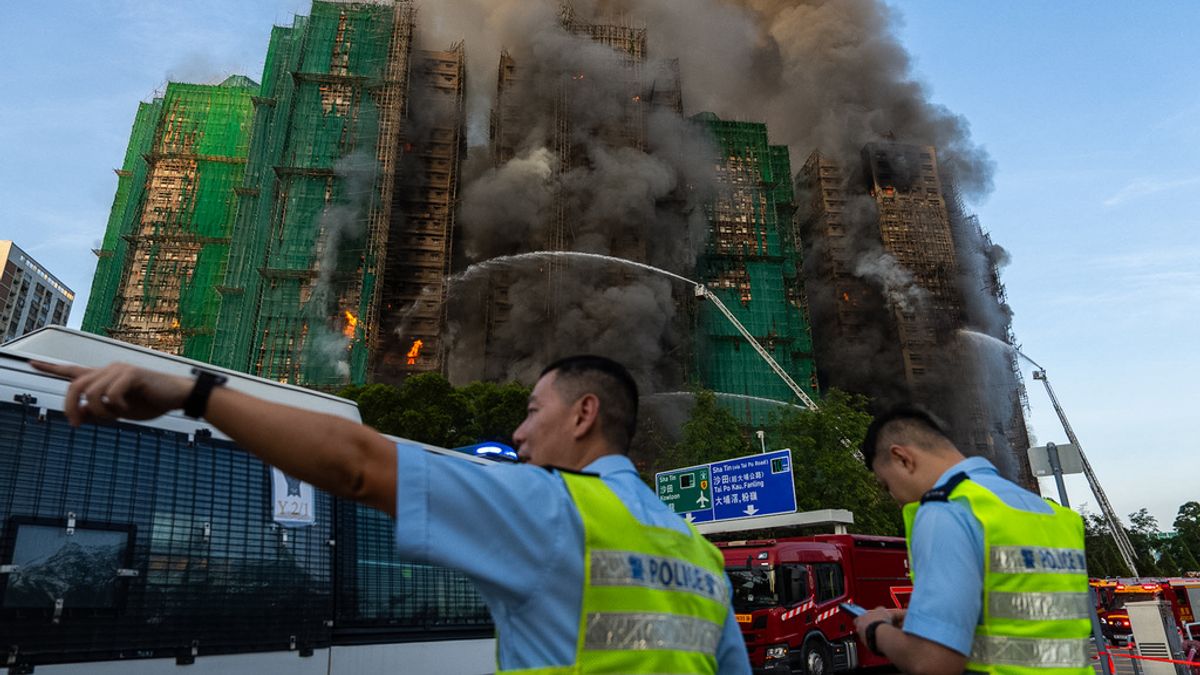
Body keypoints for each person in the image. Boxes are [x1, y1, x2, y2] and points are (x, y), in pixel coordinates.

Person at [33, 354, 750, 674]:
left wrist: (192, 394)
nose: (520, 433)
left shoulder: (550, 505)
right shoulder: (700, 554)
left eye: (534, 410)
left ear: (584, 415)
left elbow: (358, 463)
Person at [851, 405, 1091, 675]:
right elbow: (1030, 615)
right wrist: (928, 621)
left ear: (902, 459)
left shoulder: (947, 510)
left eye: (886, 485)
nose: (894, 497)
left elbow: (933, 663)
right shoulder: (1056, 516)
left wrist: (875, 630)